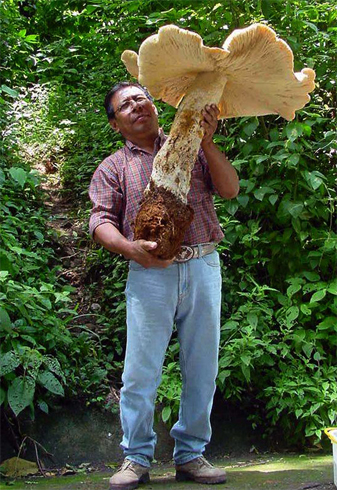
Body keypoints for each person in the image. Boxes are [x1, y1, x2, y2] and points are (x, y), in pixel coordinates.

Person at [89, 81, 239, 490]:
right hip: (149, 274)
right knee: (140, 370)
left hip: (203, 264)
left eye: (142, 98)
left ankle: (190, 454)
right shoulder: (113, 167)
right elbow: (100, 220)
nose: (137, 106)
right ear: (114, 122)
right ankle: (136, 457)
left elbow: (229, 188)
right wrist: (130, 249)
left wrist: (206, 142)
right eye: (126, 105)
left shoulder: (187, 143)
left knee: (203, 366)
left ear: (155, 106)